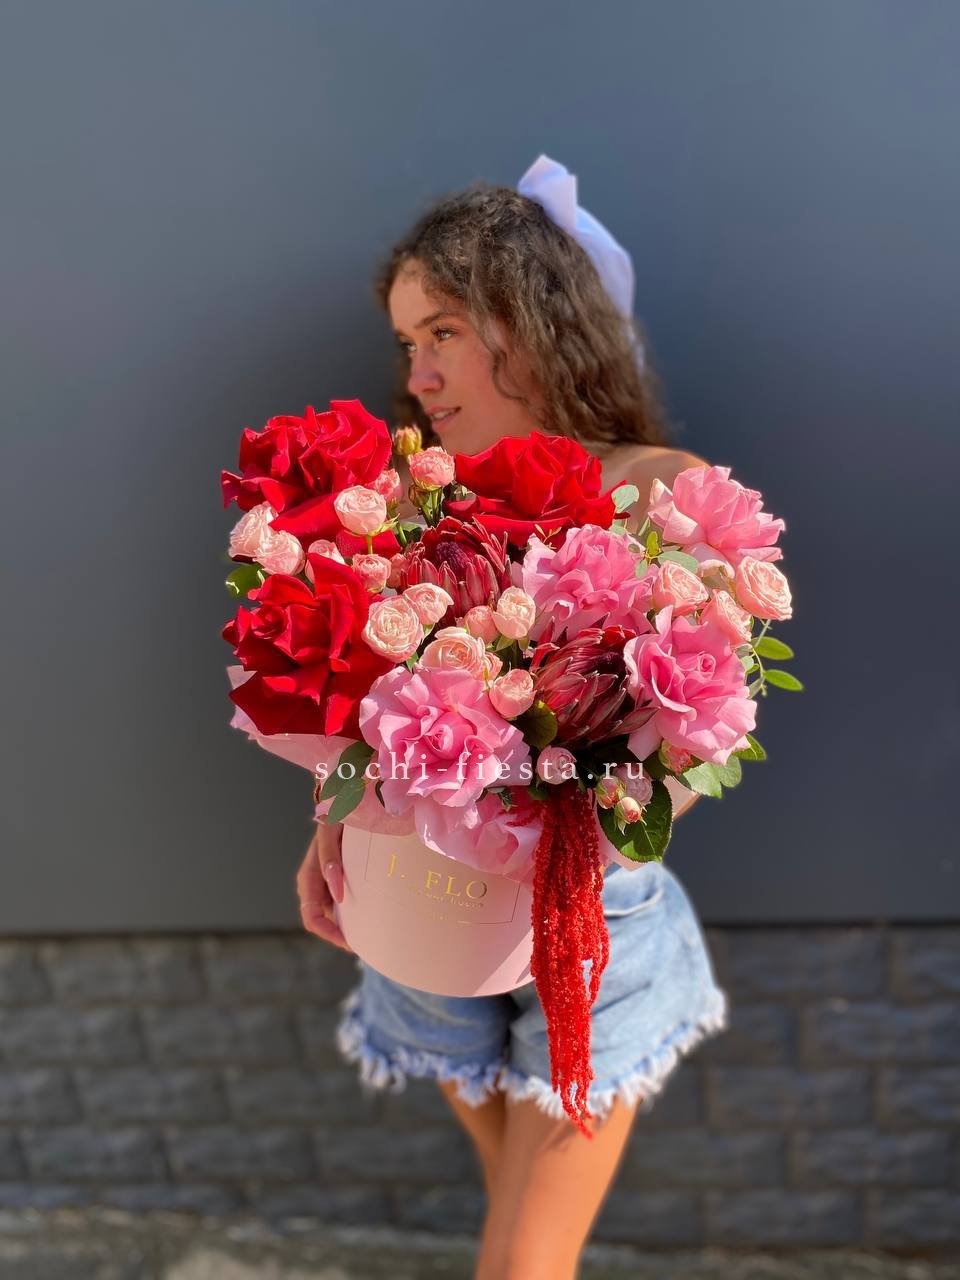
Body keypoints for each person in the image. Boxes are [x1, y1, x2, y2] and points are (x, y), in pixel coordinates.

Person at [295, 157, 729, 1280]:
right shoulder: (417, 504)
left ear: (532, 321)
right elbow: (371, 717)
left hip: (589, 925)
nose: (420, 373)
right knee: (516, 1231)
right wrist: (334, 819)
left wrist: (564, 805)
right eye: (408, 343)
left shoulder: (663, 488)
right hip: (421, 915)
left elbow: (702, 740)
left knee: (523, 1261)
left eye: (443, 332)